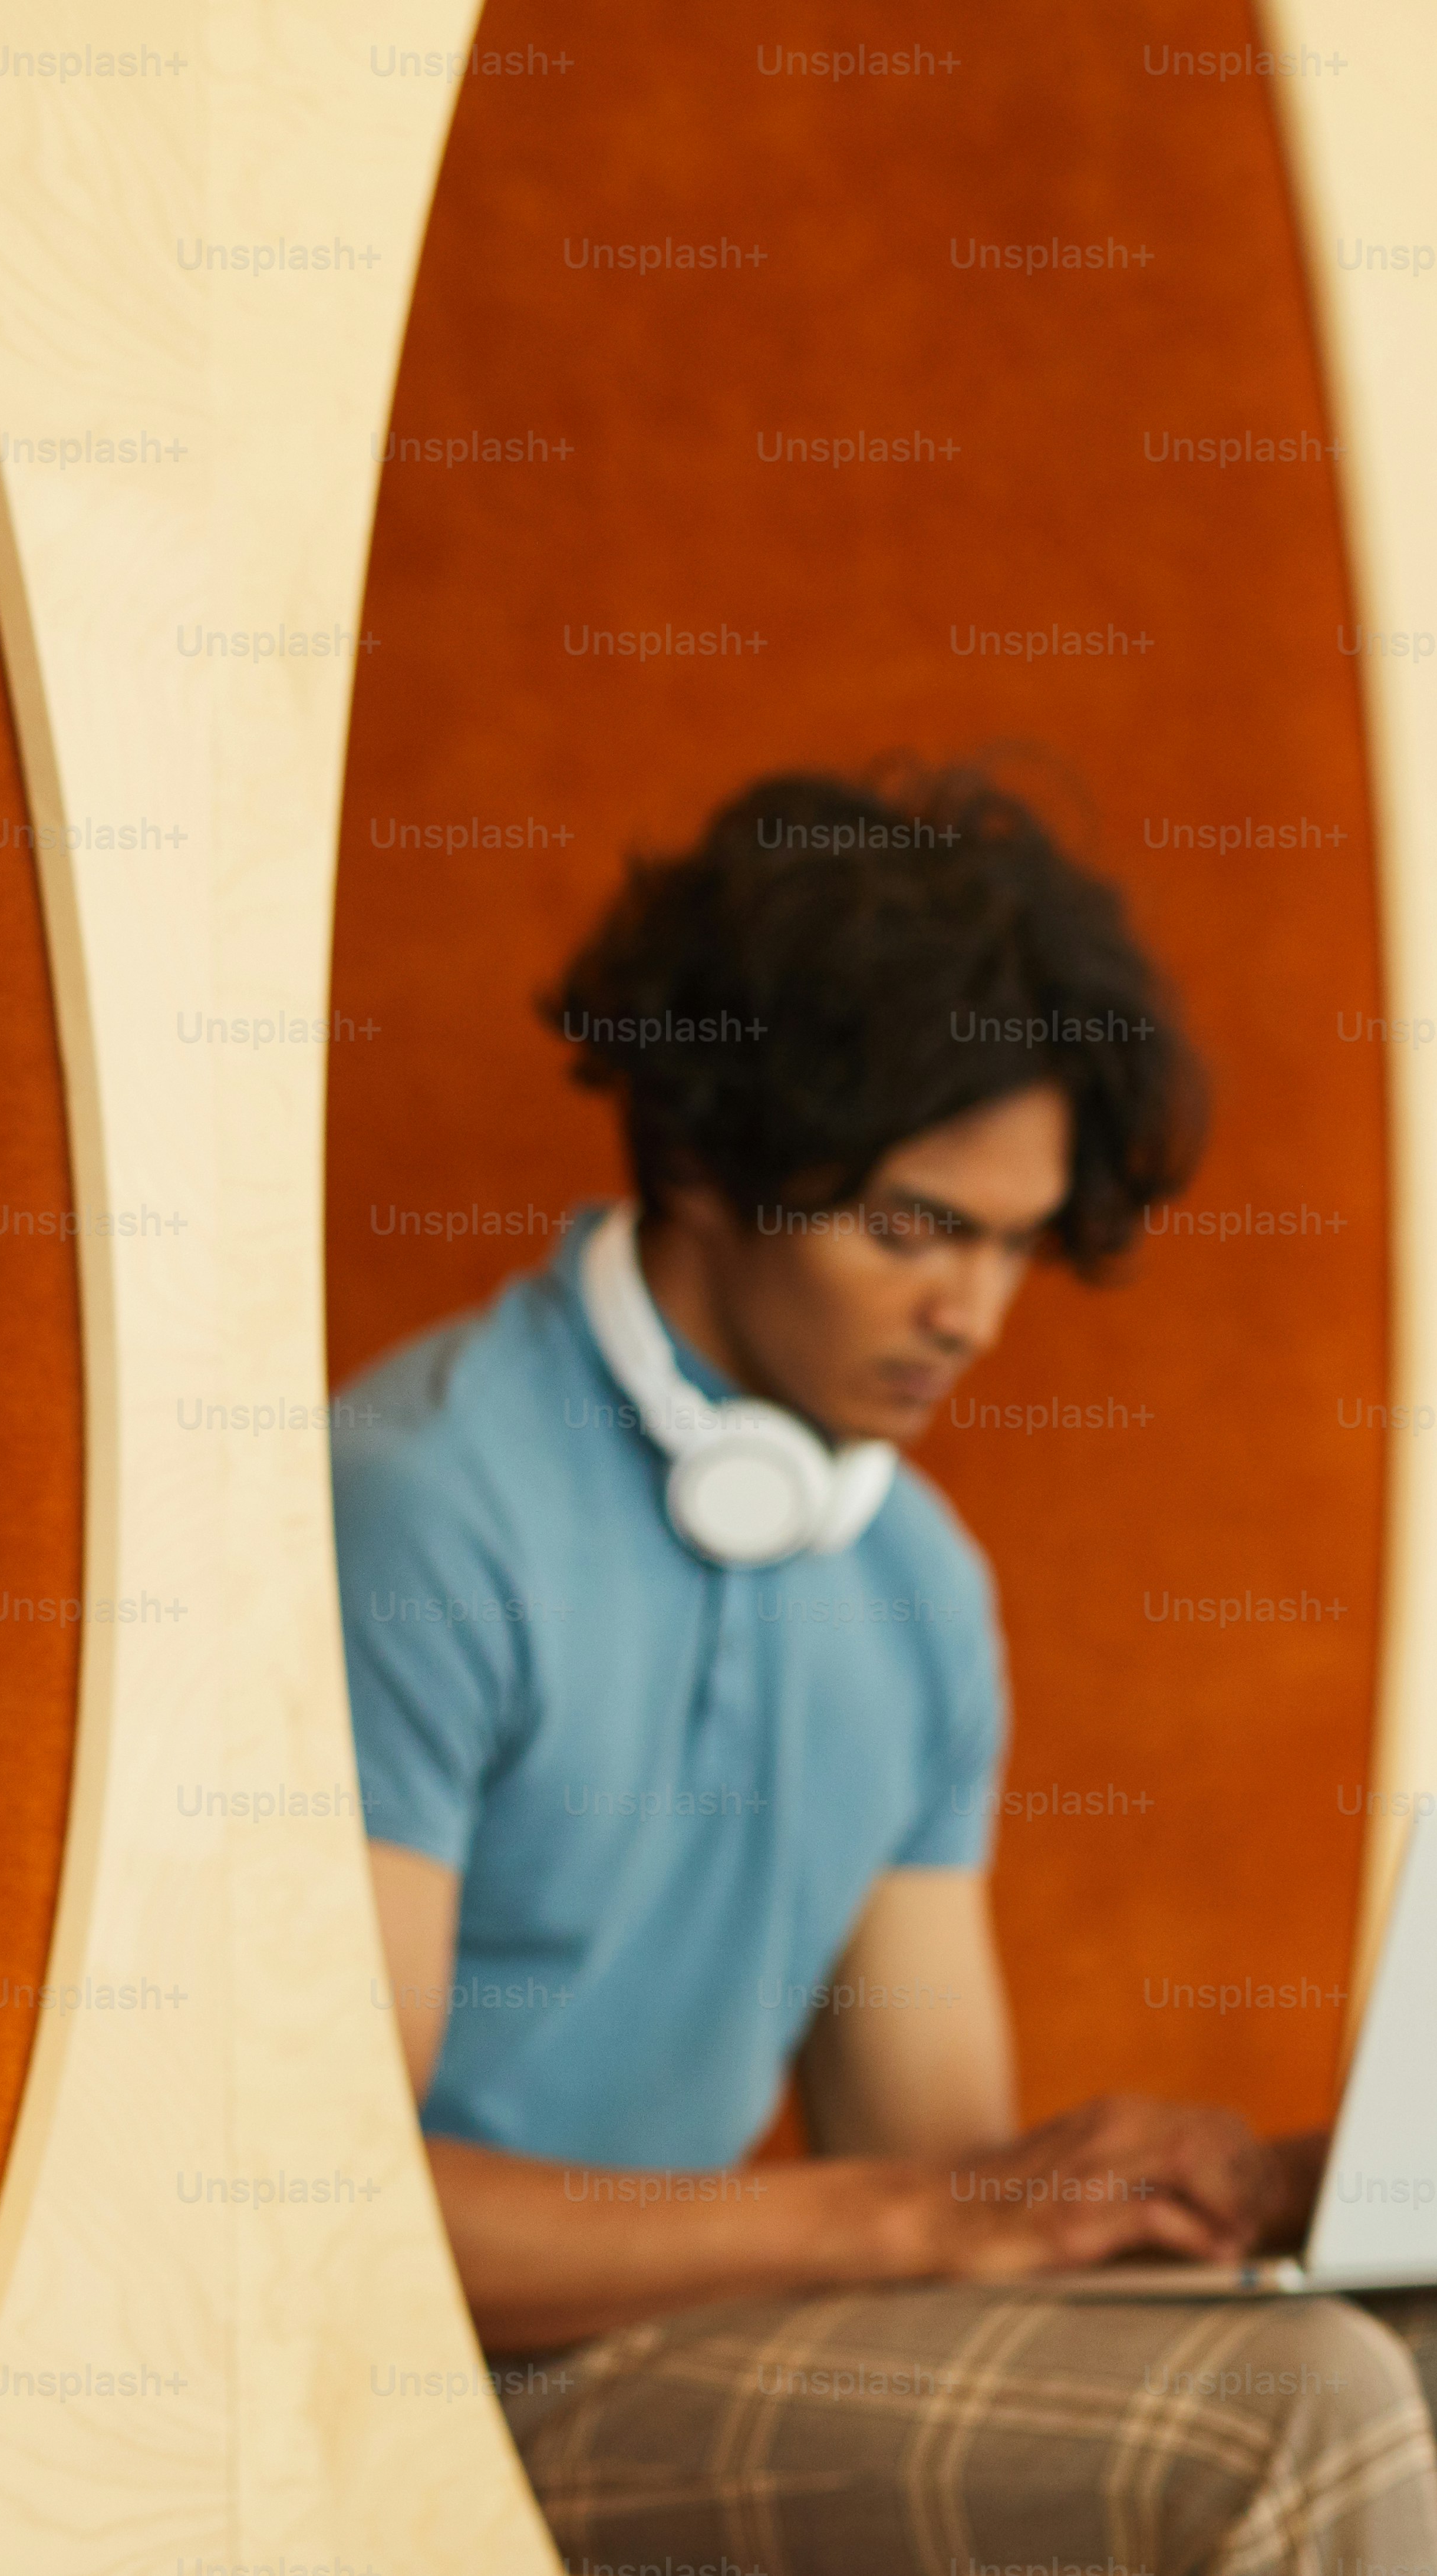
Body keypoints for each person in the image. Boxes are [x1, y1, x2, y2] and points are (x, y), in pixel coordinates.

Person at [332, 765, 1437, 2570]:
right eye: (917, 1226)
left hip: (717, 2347)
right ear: (700, 1149)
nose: (974, 1316)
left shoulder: (911, 1577)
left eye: (1014, 1242)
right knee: (1296, 2413)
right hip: (432, 2375)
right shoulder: (422, 1506)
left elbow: (933, 2161)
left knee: (1384, 2343)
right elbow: (340, 2215)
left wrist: (1223, 2205)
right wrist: (940, 2209)